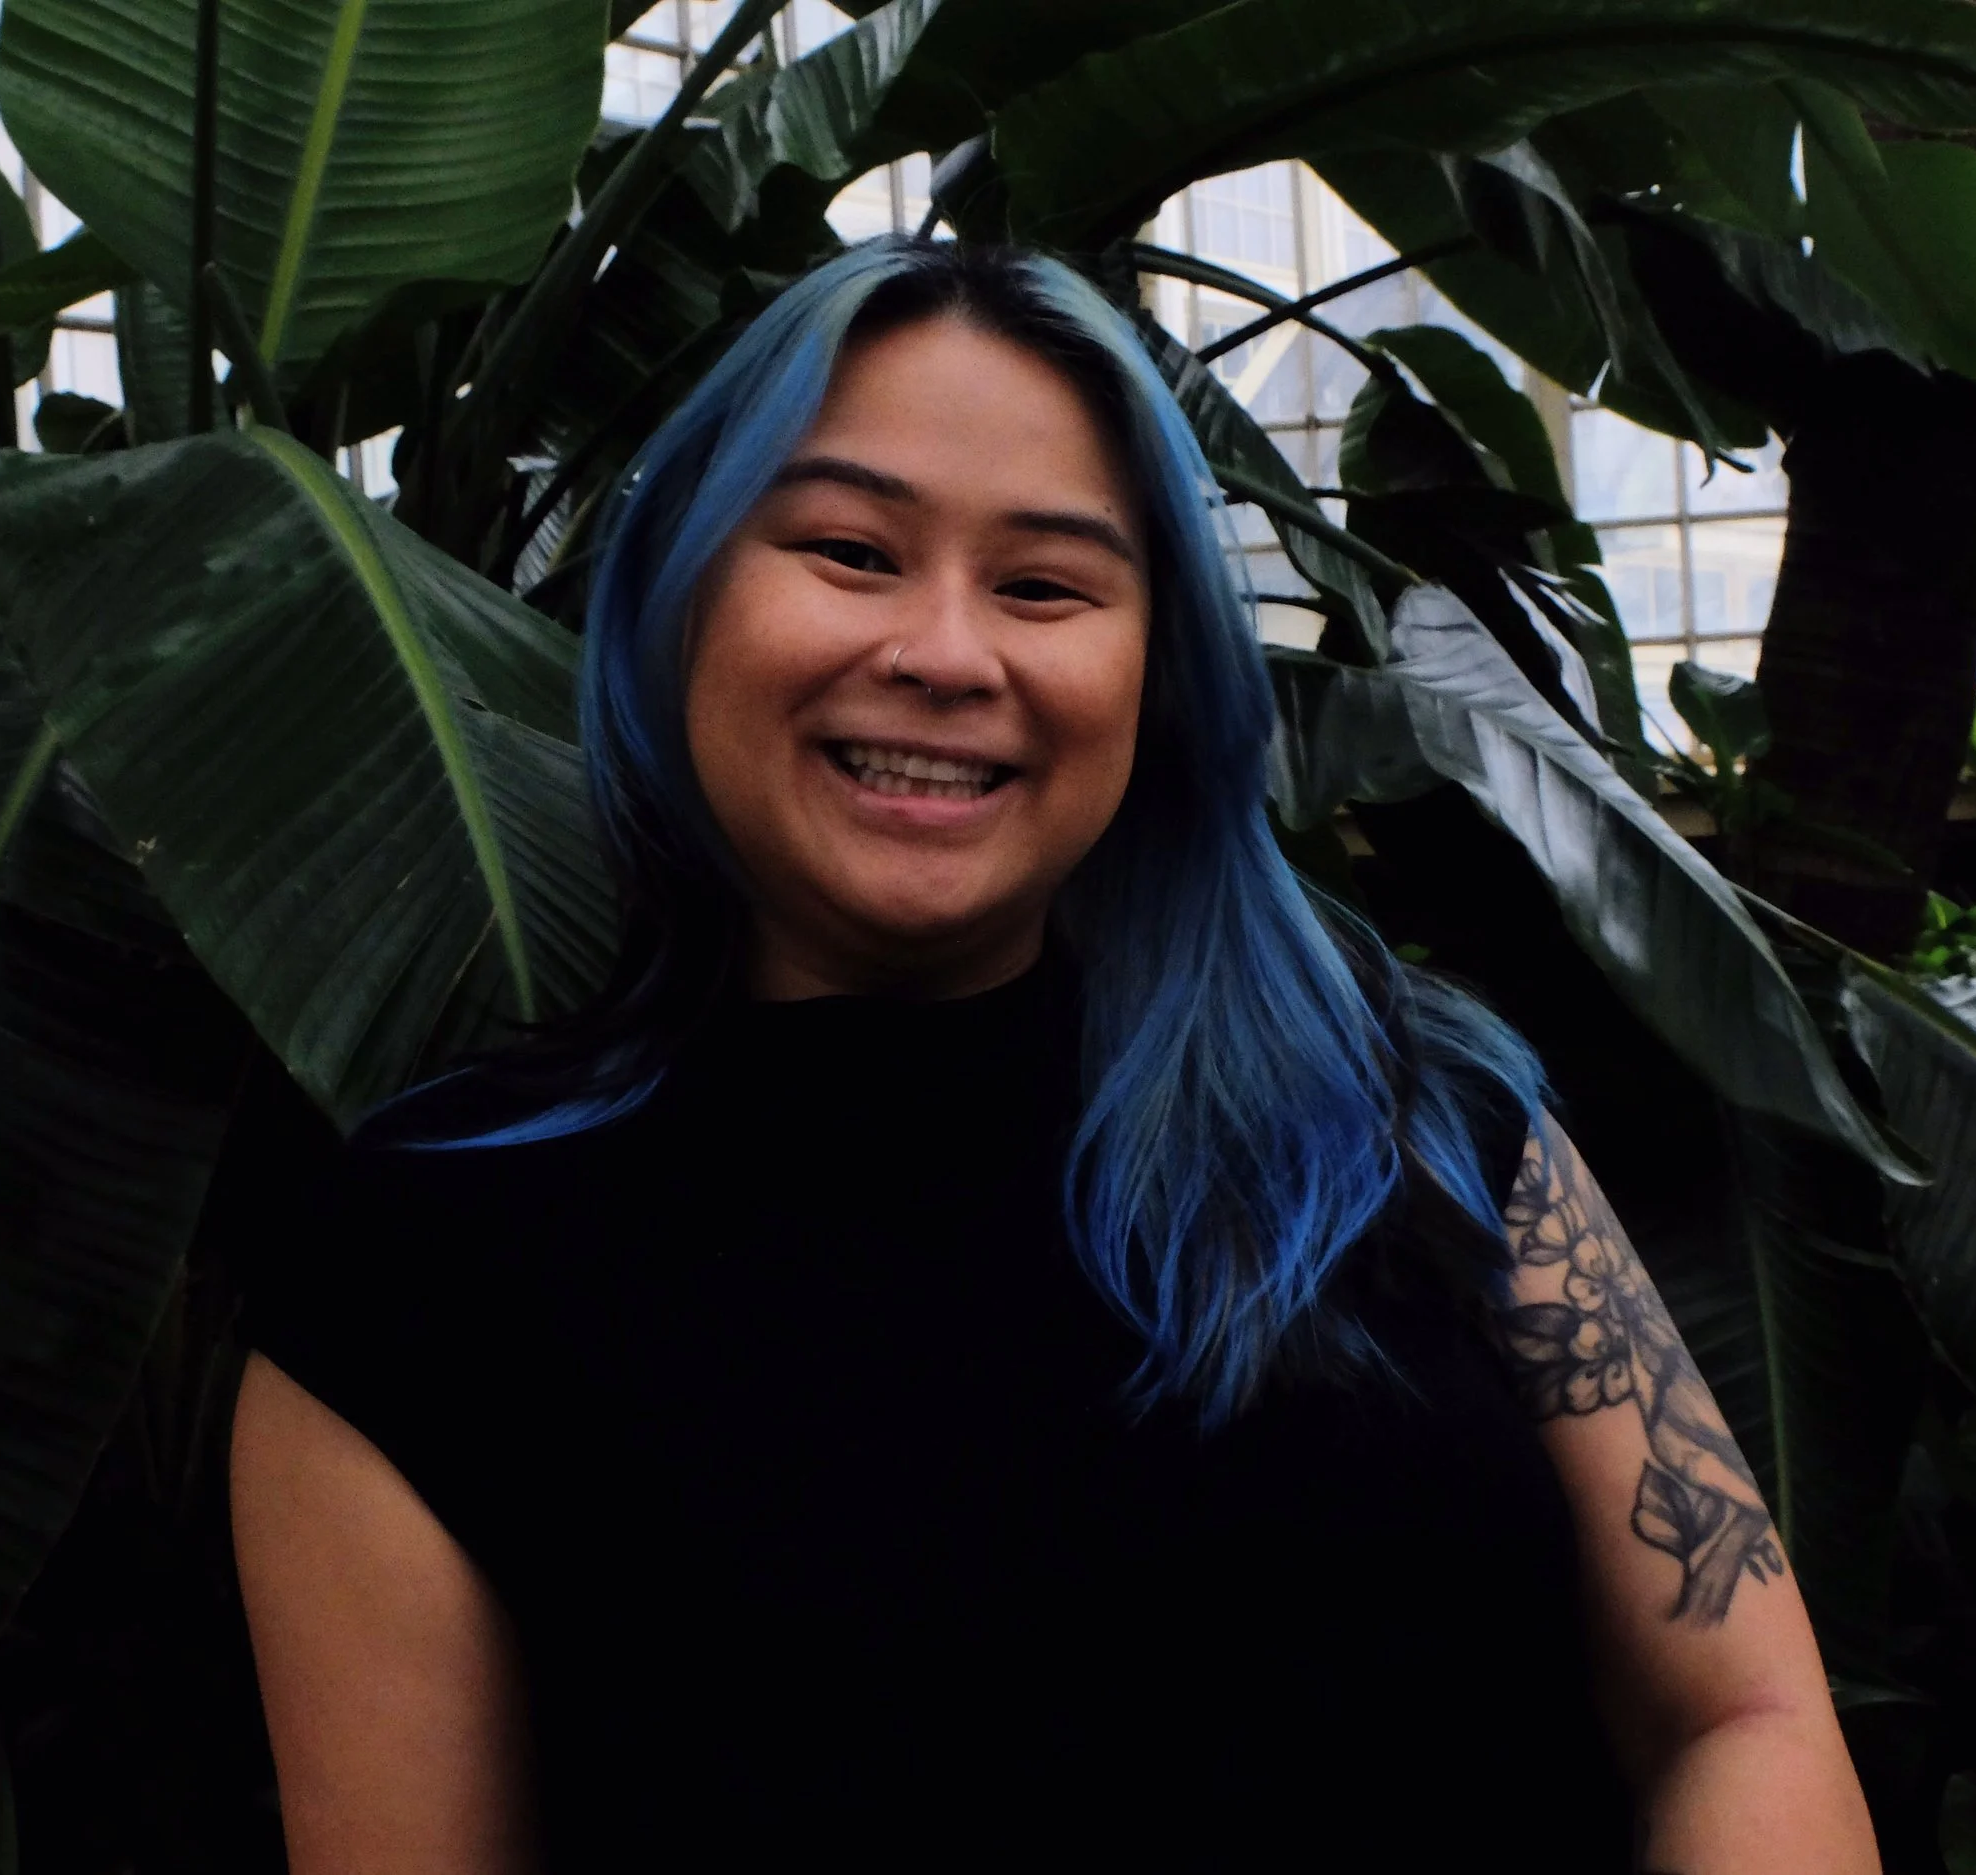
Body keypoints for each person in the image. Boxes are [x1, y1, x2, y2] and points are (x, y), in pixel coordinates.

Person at [229, 238, 1878, 1871]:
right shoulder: (416, 1273)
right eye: (851, 551)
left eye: (1044, 584)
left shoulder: (1422, 1114)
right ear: (680, 598)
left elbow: (1739, 1715)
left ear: (1153, 670)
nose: (949, 653)